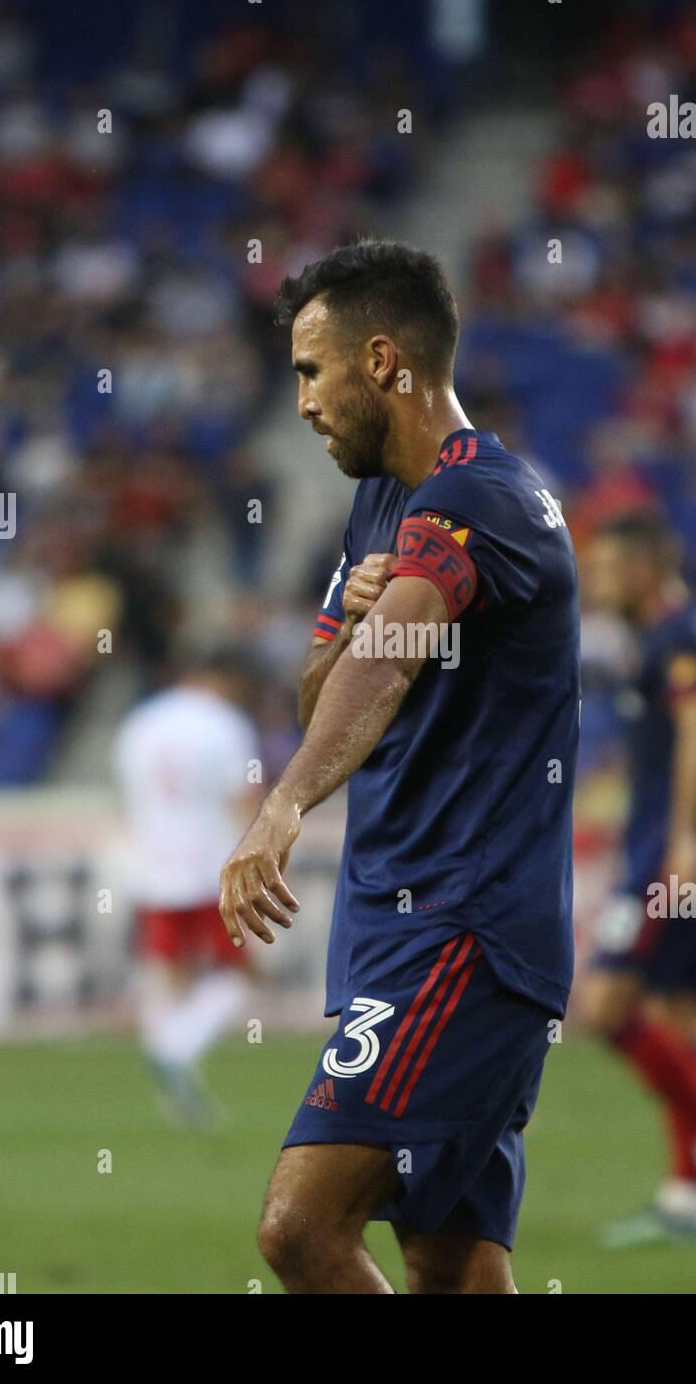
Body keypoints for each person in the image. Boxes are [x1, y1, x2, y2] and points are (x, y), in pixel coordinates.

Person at [218, 240, 580, 1294]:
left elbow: (385, 659)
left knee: (300, 1224)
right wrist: (351, 617)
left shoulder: (483, 502)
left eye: (309, 370)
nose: (299, 401)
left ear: (382, 362)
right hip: (399, 929)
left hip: (464, 932)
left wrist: (284, 802)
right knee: (449, 1263)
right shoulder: (380, 501)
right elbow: (323, 681)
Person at [580, 513, 696, 1247]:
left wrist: (681, 840)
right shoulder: (674, 638)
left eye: (606, 567)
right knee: (680, 1021)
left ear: (646, 567)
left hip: (674, 856)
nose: (595, 581)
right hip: (683, 845)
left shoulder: (682, 634)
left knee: (604, 1005)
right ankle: (690, 1193)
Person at [114, 648, 260, 1127]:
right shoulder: (224, 724)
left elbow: (128, 797)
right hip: (211, 867)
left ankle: (175, 1082)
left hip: (153, 866)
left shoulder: (139, 724)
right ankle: (174, 1049)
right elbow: (245, 798)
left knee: (169, 972)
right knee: (238, 975)